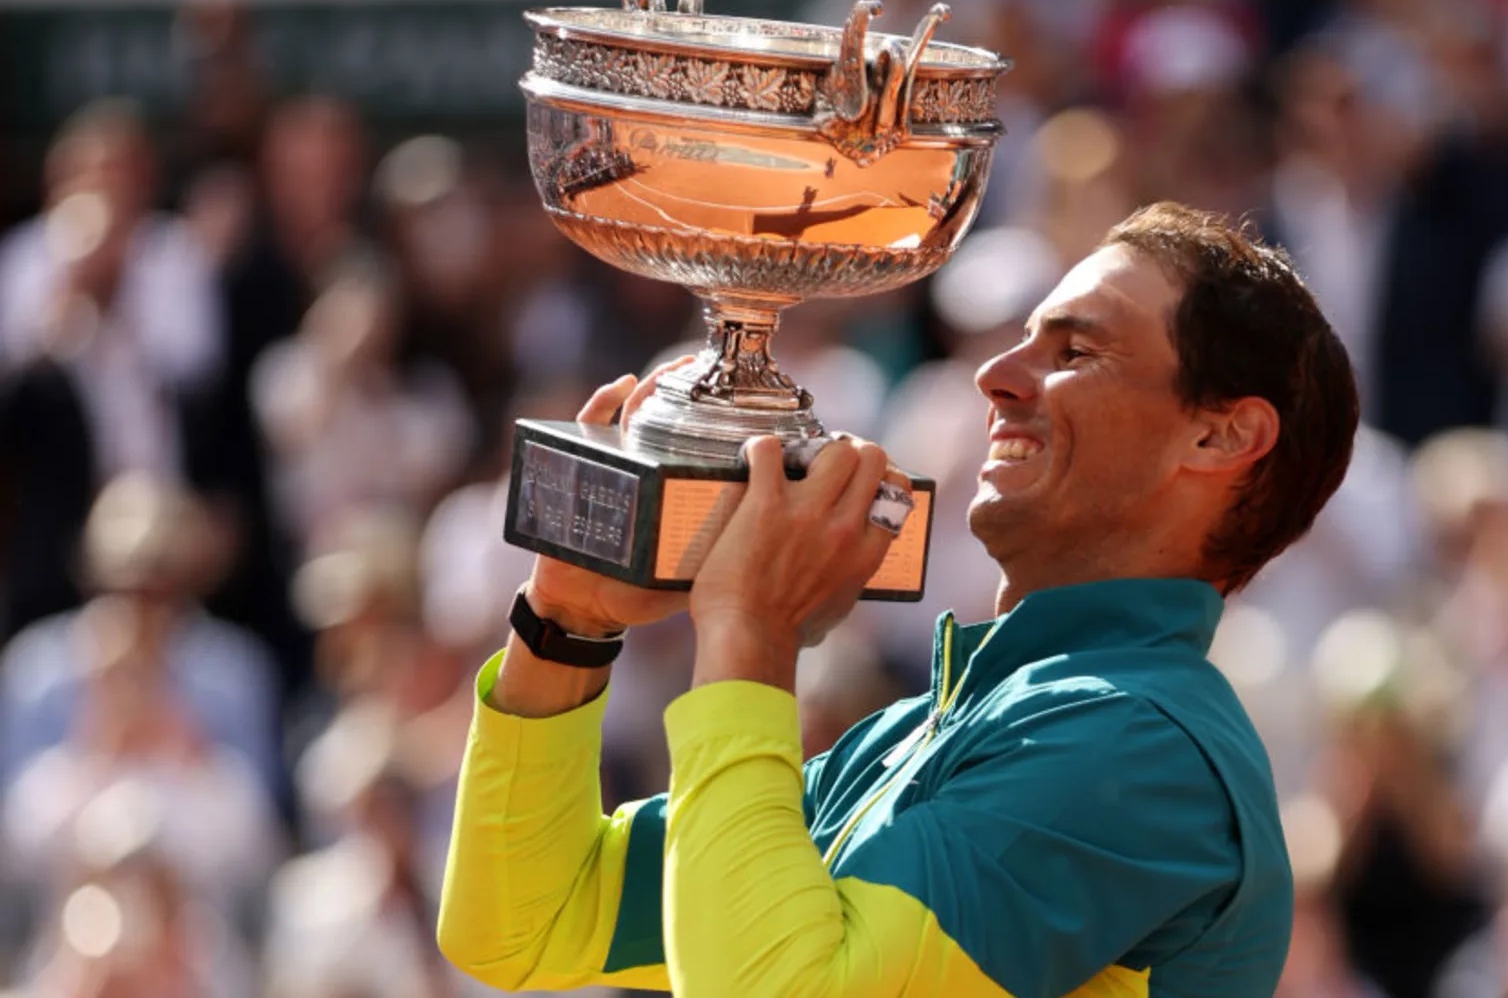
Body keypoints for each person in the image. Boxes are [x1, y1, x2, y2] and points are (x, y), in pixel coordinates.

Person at [436, 202, 1361, 996]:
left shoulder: (1140, 742)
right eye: (1022, 339)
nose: (995, 376)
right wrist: (566, 624)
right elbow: (522, 924)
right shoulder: (929, 730)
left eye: (1076, 350)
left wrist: (751, 632)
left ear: (1221, 437)